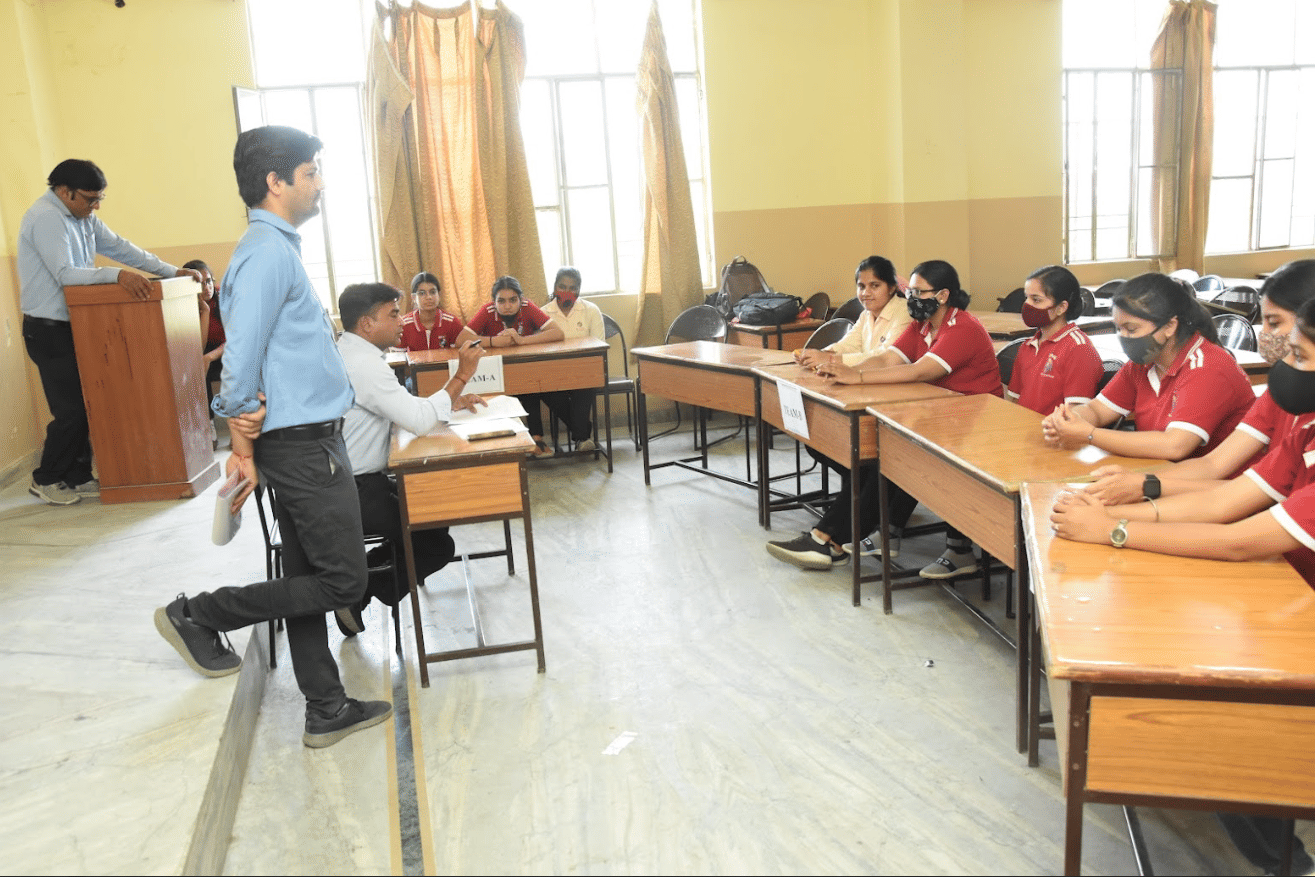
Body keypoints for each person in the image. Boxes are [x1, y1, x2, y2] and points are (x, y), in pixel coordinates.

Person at [1050, 294, 1315, 877]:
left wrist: (1114, 533)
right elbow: (1225, 495)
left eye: (1288, 339)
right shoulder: (1297, 403)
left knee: (1240, 703)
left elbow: (1245, 539)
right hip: (1289, 572)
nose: (1276, 352)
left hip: (1291, 581)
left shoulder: (1218, 370)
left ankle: (1283, 852)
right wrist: (1128, 501)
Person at [153, 125, 392, 749]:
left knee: (309, 575)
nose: (319, 185)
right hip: (302, 445)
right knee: (346, 582)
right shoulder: (264, 254)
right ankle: (200, 613)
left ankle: (326, 706)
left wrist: (250, 443)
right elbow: (241, 357)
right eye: (310, 173)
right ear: (275, 181)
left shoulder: (277, 249)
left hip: (301, 439)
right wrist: (240, 436)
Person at [766, 259, 1001, 571]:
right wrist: (842, 368)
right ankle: (843, 539)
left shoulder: (963, 328)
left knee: (889, 458)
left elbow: (918, 371)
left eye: (919, 292)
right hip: (940, 413)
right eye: (910, 291)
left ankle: (829, 540)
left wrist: (856, 377)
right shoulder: (924, 325)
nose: (911, 298)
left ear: (943, 295)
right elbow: (889, 359)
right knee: (884, 456)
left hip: (976, 422)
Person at [18, 159, 201, 505]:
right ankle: (46, 478)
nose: (95, 206)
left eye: (99, 198)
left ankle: (76, 475)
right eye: (89, 198)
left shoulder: (82, 216)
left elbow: (120, 247)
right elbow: (66, 273)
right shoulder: (46, 218)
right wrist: (115, 276)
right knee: (70, 409)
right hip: (48, 330)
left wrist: (170, 270)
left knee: (89, 403)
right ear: (63, 191)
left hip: (78, 324)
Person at [1083, 260, 1315, 506]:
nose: (1264, 333)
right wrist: (1138, 480)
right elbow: (1213, 466)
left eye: (1275, 323)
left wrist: (1124, 516)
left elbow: (1181, 450)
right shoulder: (1277, 394)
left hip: (1241, 506)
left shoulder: (1210, 367)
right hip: (1232, 500)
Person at [336, 282, 485, 635]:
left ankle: (359, 589)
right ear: (367, 324)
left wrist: (449, 402)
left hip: (355, 479)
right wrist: (461, 375)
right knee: (436, 541)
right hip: (354, 489)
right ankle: (358, 589)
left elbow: (408, 408)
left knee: (434, 516)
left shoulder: (356, 354)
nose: (402, 320)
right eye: (393, 314)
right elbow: (417, 419)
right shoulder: (364, 366)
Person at [1041, 272, 1255, 462]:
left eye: (1131, 329)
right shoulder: (1143, 363)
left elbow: (1175, 446)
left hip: (1217, 488)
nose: (1123, 337)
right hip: (1162, 473)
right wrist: (1068, 420)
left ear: (1170, 326)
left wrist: (1089, 434)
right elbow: (1097, 410)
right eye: (1118, 329)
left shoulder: (1207, 367)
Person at [788, 256, 911, 557]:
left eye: (875, 285)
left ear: (893, 286)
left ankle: (836, 530)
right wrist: (819, 353)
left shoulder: (903, 314)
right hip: (864, 391)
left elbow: (885, 356)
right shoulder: (866, 314)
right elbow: (851, 344)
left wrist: (831, 362)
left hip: (893, 398)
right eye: (861, 286)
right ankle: (859, 501)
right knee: (818, 442)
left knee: (864, 459)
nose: (866, 293)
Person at [457, 275, 566, 457]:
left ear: (521, 299)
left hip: (524, 369)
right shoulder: (487, 310)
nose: (507, 306)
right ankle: (509, 443)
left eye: (512, 300)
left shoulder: (527, 307)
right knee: (507, 391)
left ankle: (537, 438)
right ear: (494, 301)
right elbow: (460, 339)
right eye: (501, 301)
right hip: (495, 372)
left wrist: (522, 341)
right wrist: (494, 341)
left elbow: (558, 333)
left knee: (530, 385)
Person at [532, 266, 605, 455]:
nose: (567, 292)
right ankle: (583, 435)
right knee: (544, 388)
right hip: (554, 373)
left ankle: (581, 438)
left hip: (584, 371)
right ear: (555, 288)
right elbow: (539, 349)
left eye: (573, 288)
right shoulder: (543, 313)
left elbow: (599, 346)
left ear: (579, 290)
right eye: (562, 287)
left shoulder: (591, 311)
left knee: (585, 383)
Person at [185, 259, 226, 416]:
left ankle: (241, 423)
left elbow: (237, 339)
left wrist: (209, 357)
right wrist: (205, 311)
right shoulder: (186, 306)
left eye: (208, 281)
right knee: (195, 367)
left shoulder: (224, 297)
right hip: (207, 352)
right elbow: (199, 347)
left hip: (229, 350)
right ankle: (208, 424)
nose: (206, 287)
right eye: (200, 283)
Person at [399, 271, 464, 351]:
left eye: (433, 292)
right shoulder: (403, 325)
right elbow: (397, 360)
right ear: (413, 298)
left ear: (439, 295)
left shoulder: (452, 322)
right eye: (422, 293)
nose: (429, 297)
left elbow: (459, 356)